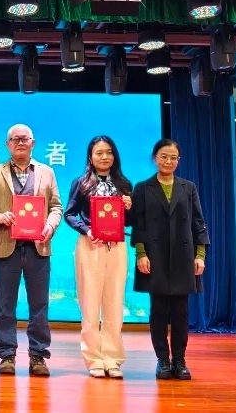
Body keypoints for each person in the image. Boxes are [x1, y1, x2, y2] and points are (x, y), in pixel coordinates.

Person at [0, 123, 62, 377]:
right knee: (5, 304)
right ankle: (7, 355)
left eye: (25, 139)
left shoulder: (47, 172)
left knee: (39, 304)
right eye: (15, 139)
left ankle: (38, 355)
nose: (21, 142)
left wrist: (50, 225)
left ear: (33, 143)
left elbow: (56, 207)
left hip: (38, 247)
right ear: (8, 145)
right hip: (7, 246)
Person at [131, 138, 209, 381]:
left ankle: (180, 360)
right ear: (155, 158)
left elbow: (198, 222)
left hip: (183, 256)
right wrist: (141, 254)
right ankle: (162, 360)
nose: (168, 161)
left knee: (180, 313)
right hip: (154, 257)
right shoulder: (143, 188)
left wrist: (200, 255)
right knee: (158, 312)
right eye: (163, 156)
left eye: (173, 157)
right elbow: (139, 224)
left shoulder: (188, 187)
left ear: (179, 160)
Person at [63, 135, 134, 379]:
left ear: (115, 156)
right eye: (99, 153)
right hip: (90, 245)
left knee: (114, 302)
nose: (104, 157)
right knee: (90, 304)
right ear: (91, 157)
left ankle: (112, 359)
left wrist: (129, 208)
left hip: (117, 246)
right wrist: (87, 230)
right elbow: (69, 214)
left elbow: (131, 221)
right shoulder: (81, 183)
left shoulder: (124, 184)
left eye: (109, 152)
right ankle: (94, 358)